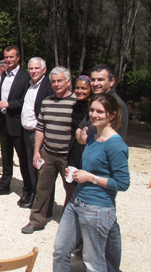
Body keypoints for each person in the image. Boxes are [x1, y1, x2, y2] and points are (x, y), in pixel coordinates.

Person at [53, 94, 130, 272]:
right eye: (92, 110)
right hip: (77, 202)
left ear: (112, 115)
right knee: (60, 251)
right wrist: (75, 173)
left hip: (98, 209)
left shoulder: (116, 145)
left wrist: (91, 178)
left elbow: (122, 183)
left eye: (100, 112)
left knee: (93, 263)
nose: (94, 115)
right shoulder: (92, 136)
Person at [21, 66, 78, 234]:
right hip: (48, 152)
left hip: (67, 155)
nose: (56, 84)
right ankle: (36, 220)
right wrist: (37, 151)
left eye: (60, 81)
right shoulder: (47, 102)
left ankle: (70, 223)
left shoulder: (77, 103)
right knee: (42, 188)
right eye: (53, 81)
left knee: (71, 190)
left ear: (68, 82)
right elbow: (40, 129)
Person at [0, 46, 30, 200]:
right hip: (4, 122)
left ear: (18, 57)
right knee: (5, 156)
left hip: (17, 123)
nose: (8, 60)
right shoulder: (4, 75)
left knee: (23, 158)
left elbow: (25, 100)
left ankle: (28, 190)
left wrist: (9, 104)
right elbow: (1, 93)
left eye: (11, 57)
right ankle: (4, 185)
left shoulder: (25, 77)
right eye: (6, 57)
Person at [18, 57, 55, 208]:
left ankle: (42, 203)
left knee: (41, 169)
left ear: (44, 70)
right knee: (30, 166)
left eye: (36, 68)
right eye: (31, 68)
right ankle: (33, 195)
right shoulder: (30, 85)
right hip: (27, 132)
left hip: (38, 133)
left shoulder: (48, 86)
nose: (33, 71)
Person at [77, 64, 128, 143]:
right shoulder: (96, 101)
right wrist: (82, 132)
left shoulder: (114, 104)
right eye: (93, 80)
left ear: (111, 82)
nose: (96, 83)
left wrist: (83, 132)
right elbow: (80, 129)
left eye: (100, 80)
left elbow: (85, 137)